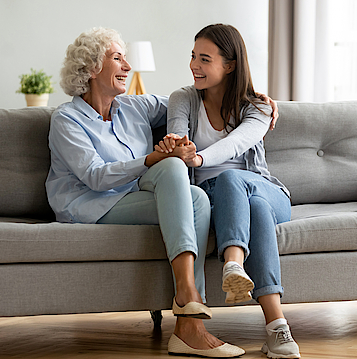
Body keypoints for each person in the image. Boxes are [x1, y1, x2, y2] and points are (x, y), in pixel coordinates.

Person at [45, 27, 245, 358]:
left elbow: (193, 99)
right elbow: (95, 177)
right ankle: (188, 300)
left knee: (196, 195)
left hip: (134, 195)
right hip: (90, 205)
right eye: (117, 58)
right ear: (93, 68)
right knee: (168, 166)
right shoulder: (66, 120)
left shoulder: (135, 108)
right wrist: (153, 158)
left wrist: (253, 101)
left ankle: (187, 318)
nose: (127, 66)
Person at [161, 24, 301, 358]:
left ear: (230, 65)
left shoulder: (259, 107)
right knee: (254, 209)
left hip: (267, 190)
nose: (194, 65)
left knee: (234, 181)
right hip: (220, 199)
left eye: (205, 59)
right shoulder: (183, 98)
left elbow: (237, 143)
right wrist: (180, 149)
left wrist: (197, 157)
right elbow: (178, 137)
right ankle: (278, 328)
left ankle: (233, 261)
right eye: (193, 56)